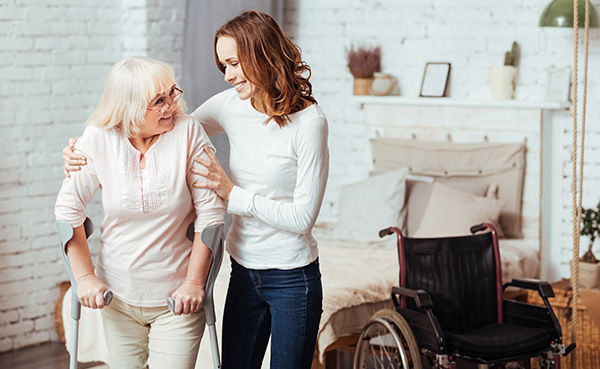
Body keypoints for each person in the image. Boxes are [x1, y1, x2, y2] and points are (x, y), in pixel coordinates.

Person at [63, 10, 329, 369]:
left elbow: (302, 218)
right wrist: (85, 149)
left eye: (234, 63)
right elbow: (173, 127)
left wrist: (232, 194)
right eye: (224, 65)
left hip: (292, 275)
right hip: (244, 269)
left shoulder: (310, 123)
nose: (228, 75)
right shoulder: (230, 105)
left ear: (262, 55)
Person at [55, 56, 226, 369]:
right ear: (129, 108)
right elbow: (67, 211)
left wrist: (194, 284)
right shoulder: (98, 137)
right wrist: (85, 278)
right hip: (117, 295)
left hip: (177, 299)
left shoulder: (188, 132)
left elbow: (211, 215)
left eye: (172, 94)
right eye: (158, 101)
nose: (171, 106)